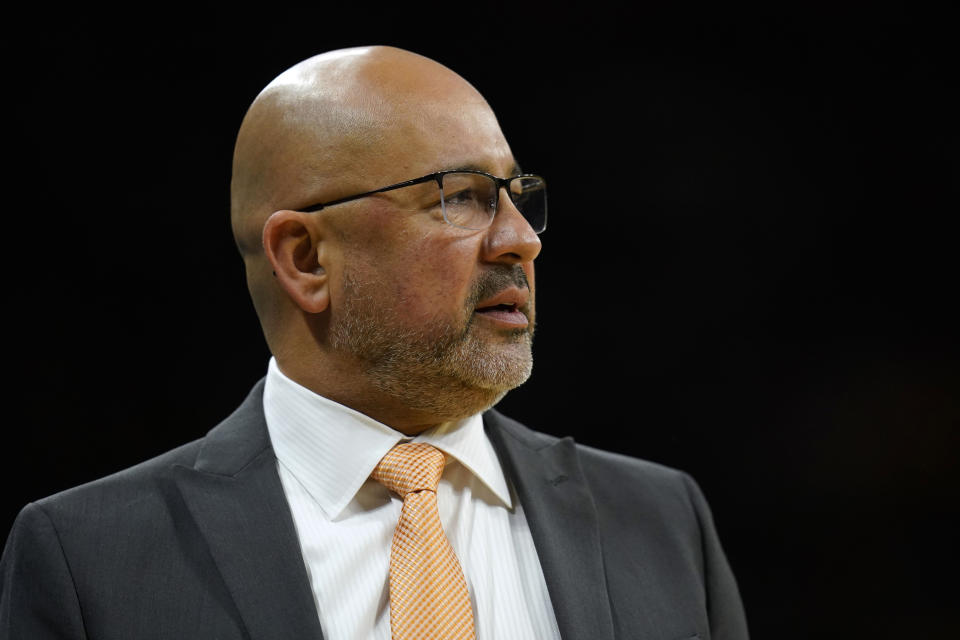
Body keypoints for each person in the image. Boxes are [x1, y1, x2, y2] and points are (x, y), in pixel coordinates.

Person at [0, 46, 748, 639]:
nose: (522, 241)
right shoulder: (91, 560)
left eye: (519, 197)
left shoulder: (660, 520)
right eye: (460, 197)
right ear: (305, 258)